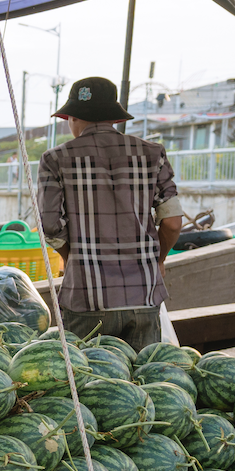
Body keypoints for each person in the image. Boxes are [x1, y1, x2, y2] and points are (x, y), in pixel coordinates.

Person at [37, 75, 187, 349]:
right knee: (140, 381)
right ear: (114, 119)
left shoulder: (55, 159)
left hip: (86, 298)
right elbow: (173, 223)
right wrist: (159, 259)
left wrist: (73, 257)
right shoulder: (153, 154)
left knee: (90, 385)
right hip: (143, 295)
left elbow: (49, 226)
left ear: (73, 118)